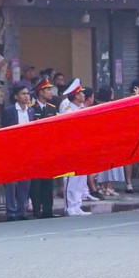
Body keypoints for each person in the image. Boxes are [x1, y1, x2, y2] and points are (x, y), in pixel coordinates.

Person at [2, 86, 35, 221]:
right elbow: (4, 131)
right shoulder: (9, 111)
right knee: (11, 182)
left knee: (25, 182)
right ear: (16, 96)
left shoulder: (31, 111)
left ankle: (21, 210)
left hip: (27, 150)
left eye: (27, 94)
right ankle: (11, 211)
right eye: (23, 94)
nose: (26, 96)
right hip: (12, 150)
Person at [59, 81, 91, 216]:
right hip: (70, 146)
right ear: (76, 96)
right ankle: (69, 206)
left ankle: (77, 204)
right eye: (81, 93)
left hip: (82, 146)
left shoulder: (82, 108)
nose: (84, 95)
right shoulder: (67, 108)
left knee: (81, 177)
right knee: (70, 178)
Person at [29, 79, 60, 218]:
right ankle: (37, 210)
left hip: (49, 149)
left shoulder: (52, 108)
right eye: (47, 90)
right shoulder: (32, 108)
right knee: (36, 183)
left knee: (48, 181)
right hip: (35, 150)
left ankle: (48, 210)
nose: (50, 92)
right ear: (41, 92)